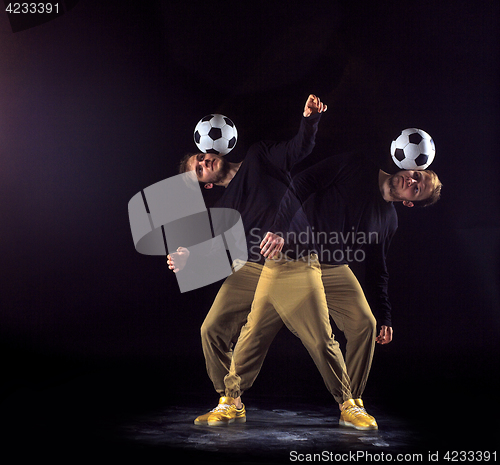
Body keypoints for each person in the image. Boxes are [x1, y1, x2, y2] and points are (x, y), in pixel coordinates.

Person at [211, 151, 442, 429]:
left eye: (417, 188)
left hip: (334, 267)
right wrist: (281, 229)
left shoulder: (389, 219)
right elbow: (299, 183)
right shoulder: (356, 164)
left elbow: (378, 268)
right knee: (268, 330)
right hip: (297, 255)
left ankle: (353, 402)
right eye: (417, 174)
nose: (411, 180)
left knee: (365, 324)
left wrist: (386, 315)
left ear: (409, 202)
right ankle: (231, 399)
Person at [167, 94, 328, 425]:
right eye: (197, 171)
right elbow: (219, 248)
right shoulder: (223, 208)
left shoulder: (260, 157)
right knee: (211, 329)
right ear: (205, 185)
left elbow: (298, 149)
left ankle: (350, 403)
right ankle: (231, 400)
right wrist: (189, 258)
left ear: (214, 149)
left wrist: (310, 120)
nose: (202, 164)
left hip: (296, 259)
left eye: (200, 158)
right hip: (255, 267)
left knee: (319, 339)